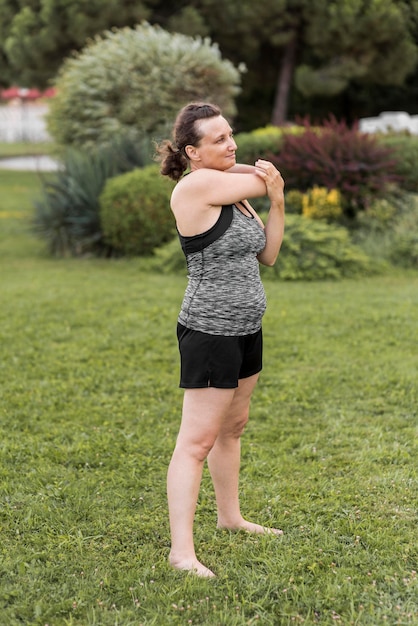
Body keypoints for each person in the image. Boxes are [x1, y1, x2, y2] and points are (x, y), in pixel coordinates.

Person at [158, 102, 285, 578]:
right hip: (210, 331)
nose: (231, 145)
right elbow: (263, 177)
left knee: (233, 428)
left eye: (231, 135)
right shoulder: (198, 185)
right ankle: (181, 554)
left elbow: (268, 254)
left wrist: (279, 201)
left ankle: (230, 518)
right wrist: (269, 178)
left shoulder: (235, 194)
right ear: (192, 152)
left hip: (246, 329)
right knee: (196, 442)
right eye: (218, 140)